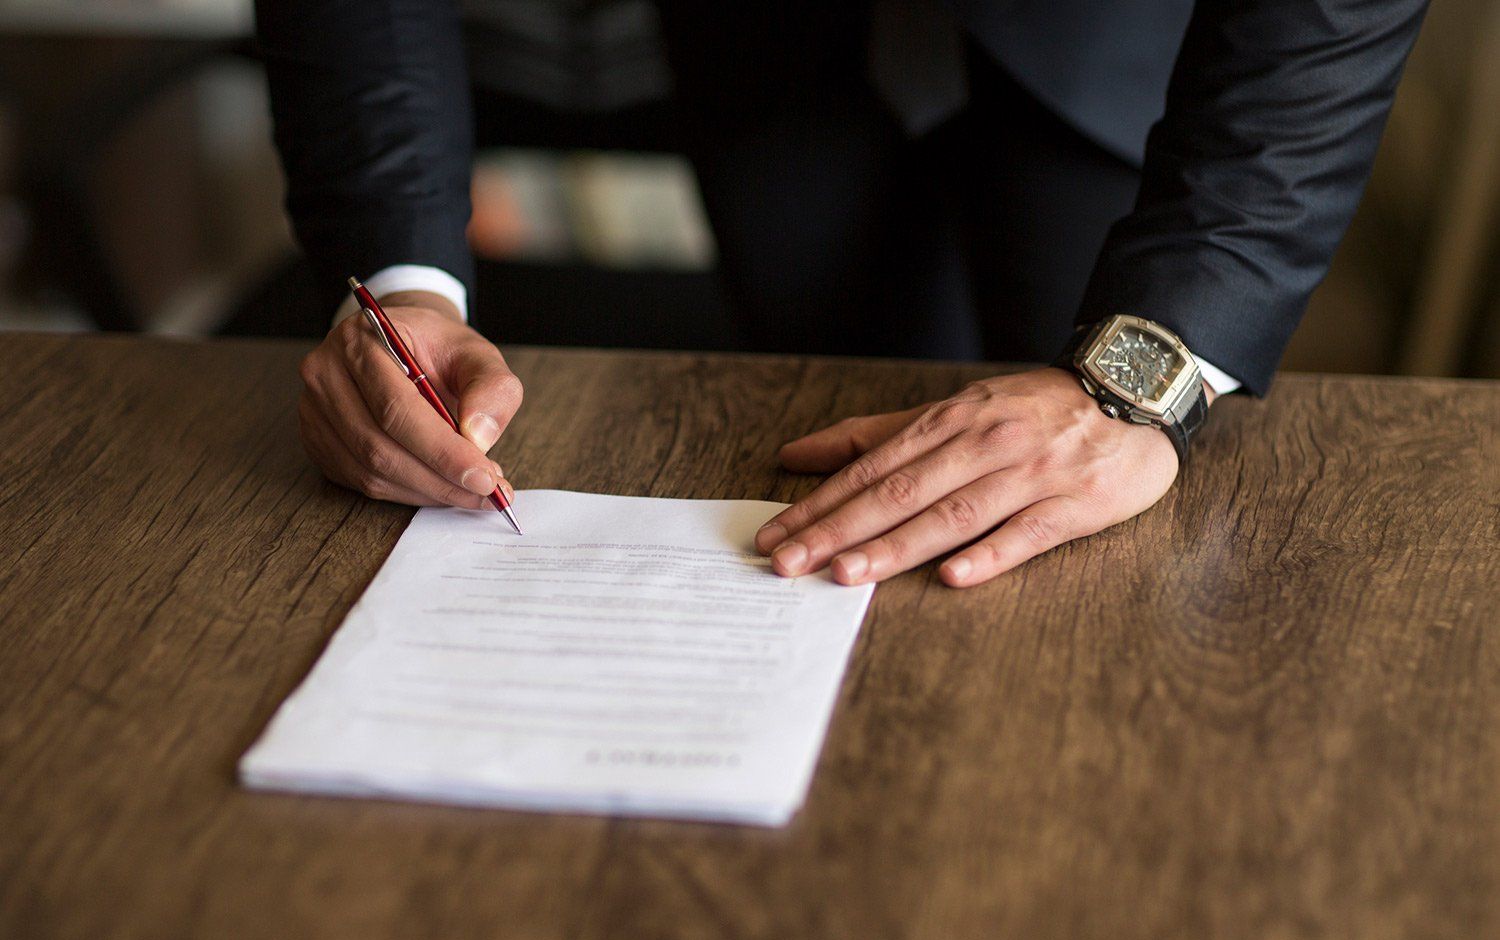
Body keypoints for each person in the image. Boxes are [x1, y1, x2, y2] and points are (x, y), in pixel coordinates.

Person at [258, 0, 1427, 588]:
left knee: (1085, 549)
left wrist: (1150, 376)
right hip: (775, 45)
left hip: (1127, 56)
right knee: (819, 481)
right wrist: (403, 277)